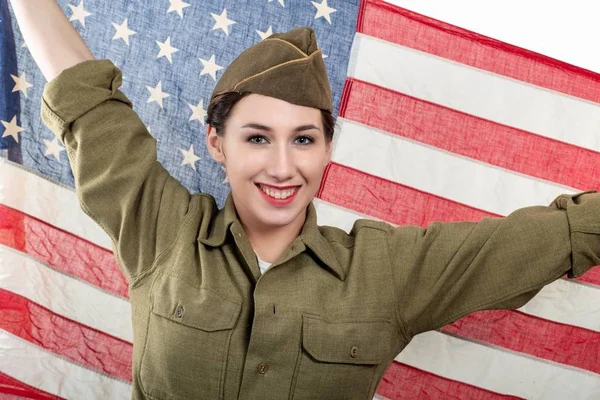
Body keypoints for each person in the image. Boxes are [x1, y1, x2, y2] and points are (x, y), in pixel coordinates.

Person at [10, 1, 600, 399]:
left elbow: (563, 235)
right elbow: (87, 101)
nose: (283, 166)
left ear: (326, 150)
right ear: (217, 144)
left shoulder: (386, 272)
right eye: (258, 138)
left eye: (304, 139)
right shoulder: (162, 230)